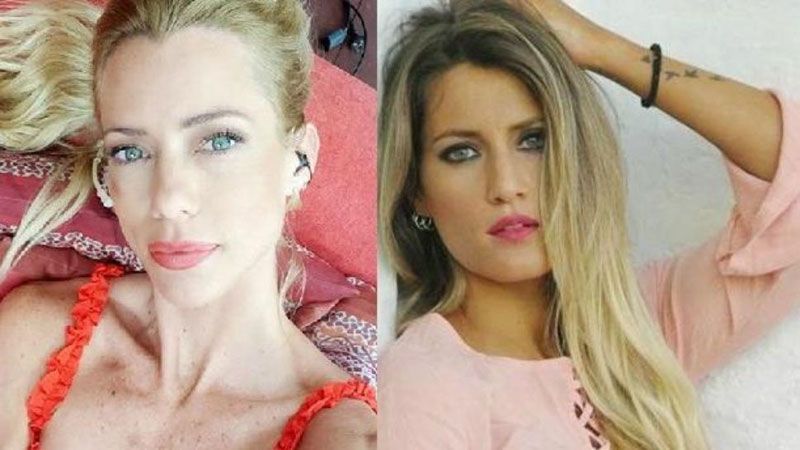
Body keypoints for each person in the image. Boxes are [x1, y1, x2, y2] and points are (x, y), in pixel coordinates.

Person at [377, 0, 798, 449]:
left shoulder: (637, 333)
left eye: (534, 141)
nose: (506, 185)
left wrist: (602, 49)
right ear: (416, 189)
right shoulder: (427, 383)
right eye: (462, 152)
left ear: (575, 154)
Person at [0, 0, 376, 448]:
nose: (168, 199)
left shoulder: (342, 434)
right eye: (131, 151)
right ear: (109, 176)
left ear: (298, 159)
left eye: (219, 140)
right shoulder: (34, 335)